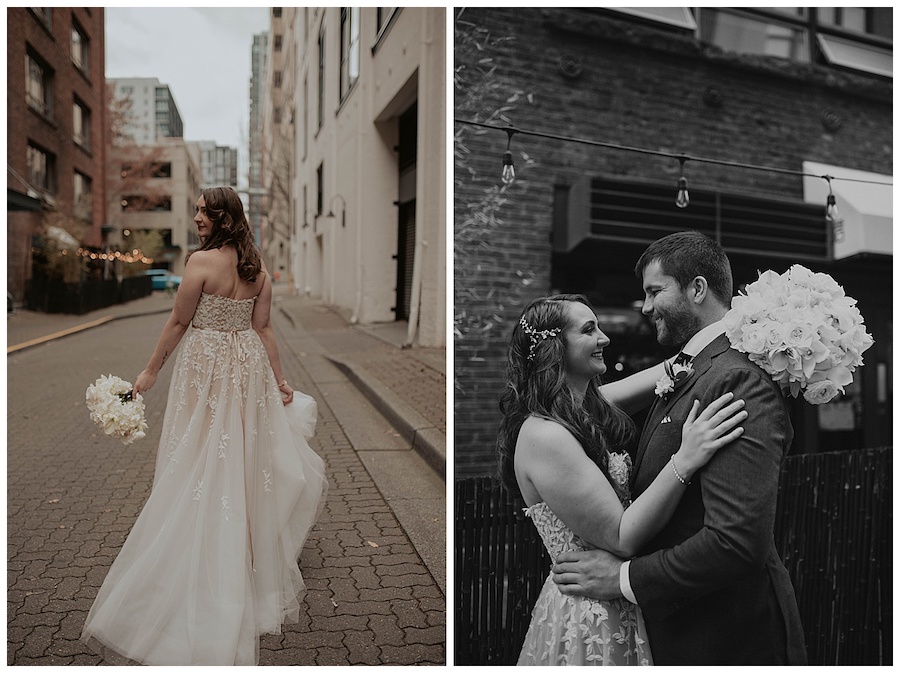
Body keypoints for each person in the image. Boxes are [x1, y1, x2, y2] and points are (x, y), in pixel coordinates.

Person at [81, 187, 328, 665]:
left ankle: (204, 559)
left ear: (222, 217)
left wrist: (151, 371)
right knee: (238, 454)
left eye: (202, 211)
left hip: (205, 365)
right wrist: (278, 379)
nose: (196, 217)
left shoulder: (199, 265)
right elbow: (264, 329)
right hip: (247, 368)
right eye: (196, 210)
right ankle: (243, 557)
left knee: (197, 453)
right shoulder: (258, 272)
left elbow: (177, 323)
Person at [551, 232, 807, 665]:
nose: (646, 307)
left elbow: (735, 542)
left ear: (698, 288)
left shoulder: (735, 378)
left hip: (726, 638)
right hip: (684, 630)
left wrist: (622, 579)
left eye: (654, 292)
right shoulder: (693, 367)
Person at [498, 293, 747, 665]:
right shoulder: (545, 436)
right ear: (556, 349)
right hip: (588, 616)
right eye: (589, 330)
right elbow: (621, 535)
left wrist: (740, 327)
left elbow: (668, 371)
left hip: (617, 602)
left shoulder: (578, 409)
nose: (605, 338)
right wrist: (686, 458)